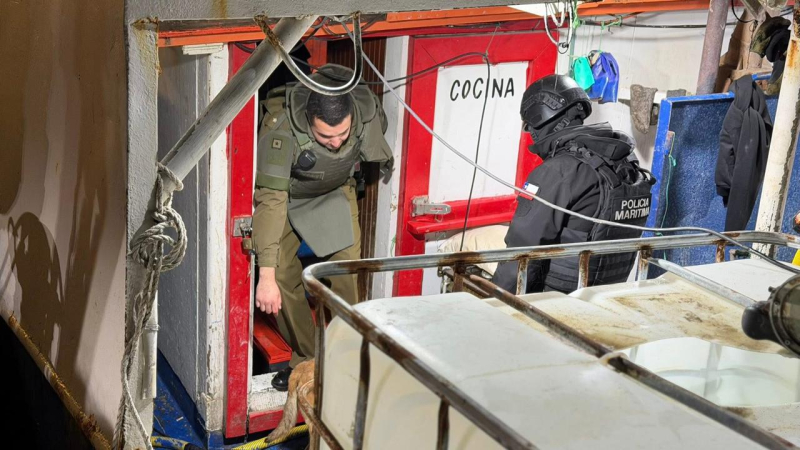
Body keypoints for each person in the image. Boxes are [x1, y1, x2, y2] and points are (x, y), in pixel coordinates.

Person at [252, 64, 392, 391]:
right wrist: (265, 276)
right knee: (281, 277)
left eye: (342, 134)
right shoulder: (281, 130)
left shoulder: (365, 112)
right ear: (308, 121)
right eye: (325, 136)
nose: (336, 142)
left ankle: (345, 357)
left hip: (334, 190)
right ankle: (307, 358)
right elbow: (270, 201)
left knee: (345, 274)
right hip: (288, 195)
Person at [492, 74, 655, 294]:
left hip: (555, 303)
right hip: (607, 298)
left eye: (529, 125)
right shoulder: (624, 163)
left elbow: (522, 253)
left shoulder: (559, 171)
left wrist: (495, 302)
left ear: (541, 116)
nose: (529, 132)